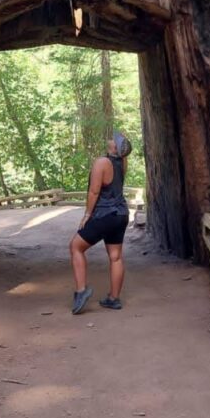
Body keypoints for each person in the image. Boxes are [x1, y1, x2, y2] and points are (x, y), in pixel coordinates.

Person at [69, 130, 133, 314]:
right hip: (121, 214)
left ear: (115, 147)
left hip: (104, 214)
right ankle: (113, 299)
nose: (111, 138)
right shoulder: (122, 162)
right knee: (116, 257)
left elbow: (94, 192)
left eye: (114, 139)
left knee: (76, 247)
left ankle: (81, 291)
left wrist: (87, 214)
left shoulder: (102, 163)